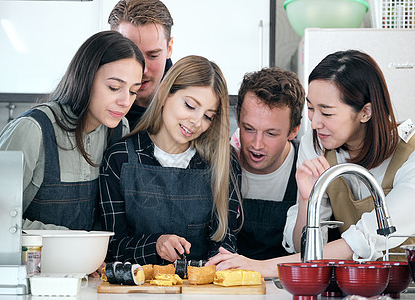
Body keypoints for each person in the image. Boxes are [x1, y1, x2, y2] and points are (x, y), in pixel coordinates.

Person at [207, 50, 415, 277]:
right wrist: (307, 202)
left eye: (326, 112)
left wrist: (264, 267)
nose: (315, 123)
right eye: (311, 109)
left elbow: (367, 237)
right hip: (357, 283)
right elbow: (305, 248)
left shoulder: (410, 155)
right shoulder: (316, 145)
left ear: (366, 112)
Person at [0, 30, 145, 231]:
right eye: (114, 87)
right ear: (85, 78)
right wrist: (71, 240)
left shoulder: (119, 129)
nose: (125, 101)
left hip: (88, 261)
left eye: (134, 91)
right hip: (32, 260)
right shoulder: (32, 130)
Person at [99, 55, 242, 265]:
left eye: (208, 116)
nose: (196, 122)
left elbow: (224, 243)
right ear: (165, 93)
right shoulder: (119, 158)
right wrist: (155, 245)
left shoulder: (223, 162)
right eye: (190, 106)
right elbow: (113, 247)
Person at [229, 67, 304, 260]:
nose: (256, 144)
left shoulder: (306, 166)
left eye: (271, 133)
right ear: (238, 119)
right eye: (249, 128)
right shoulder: (221, 162)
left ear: (293, 131)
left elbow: (306, 251)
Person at [108, 0, 174, 129]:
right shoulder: (92, 105)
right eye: (129, 54)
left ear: (169, 49)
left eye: (153, 56)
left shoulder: (192, 109)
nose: (142, 70)